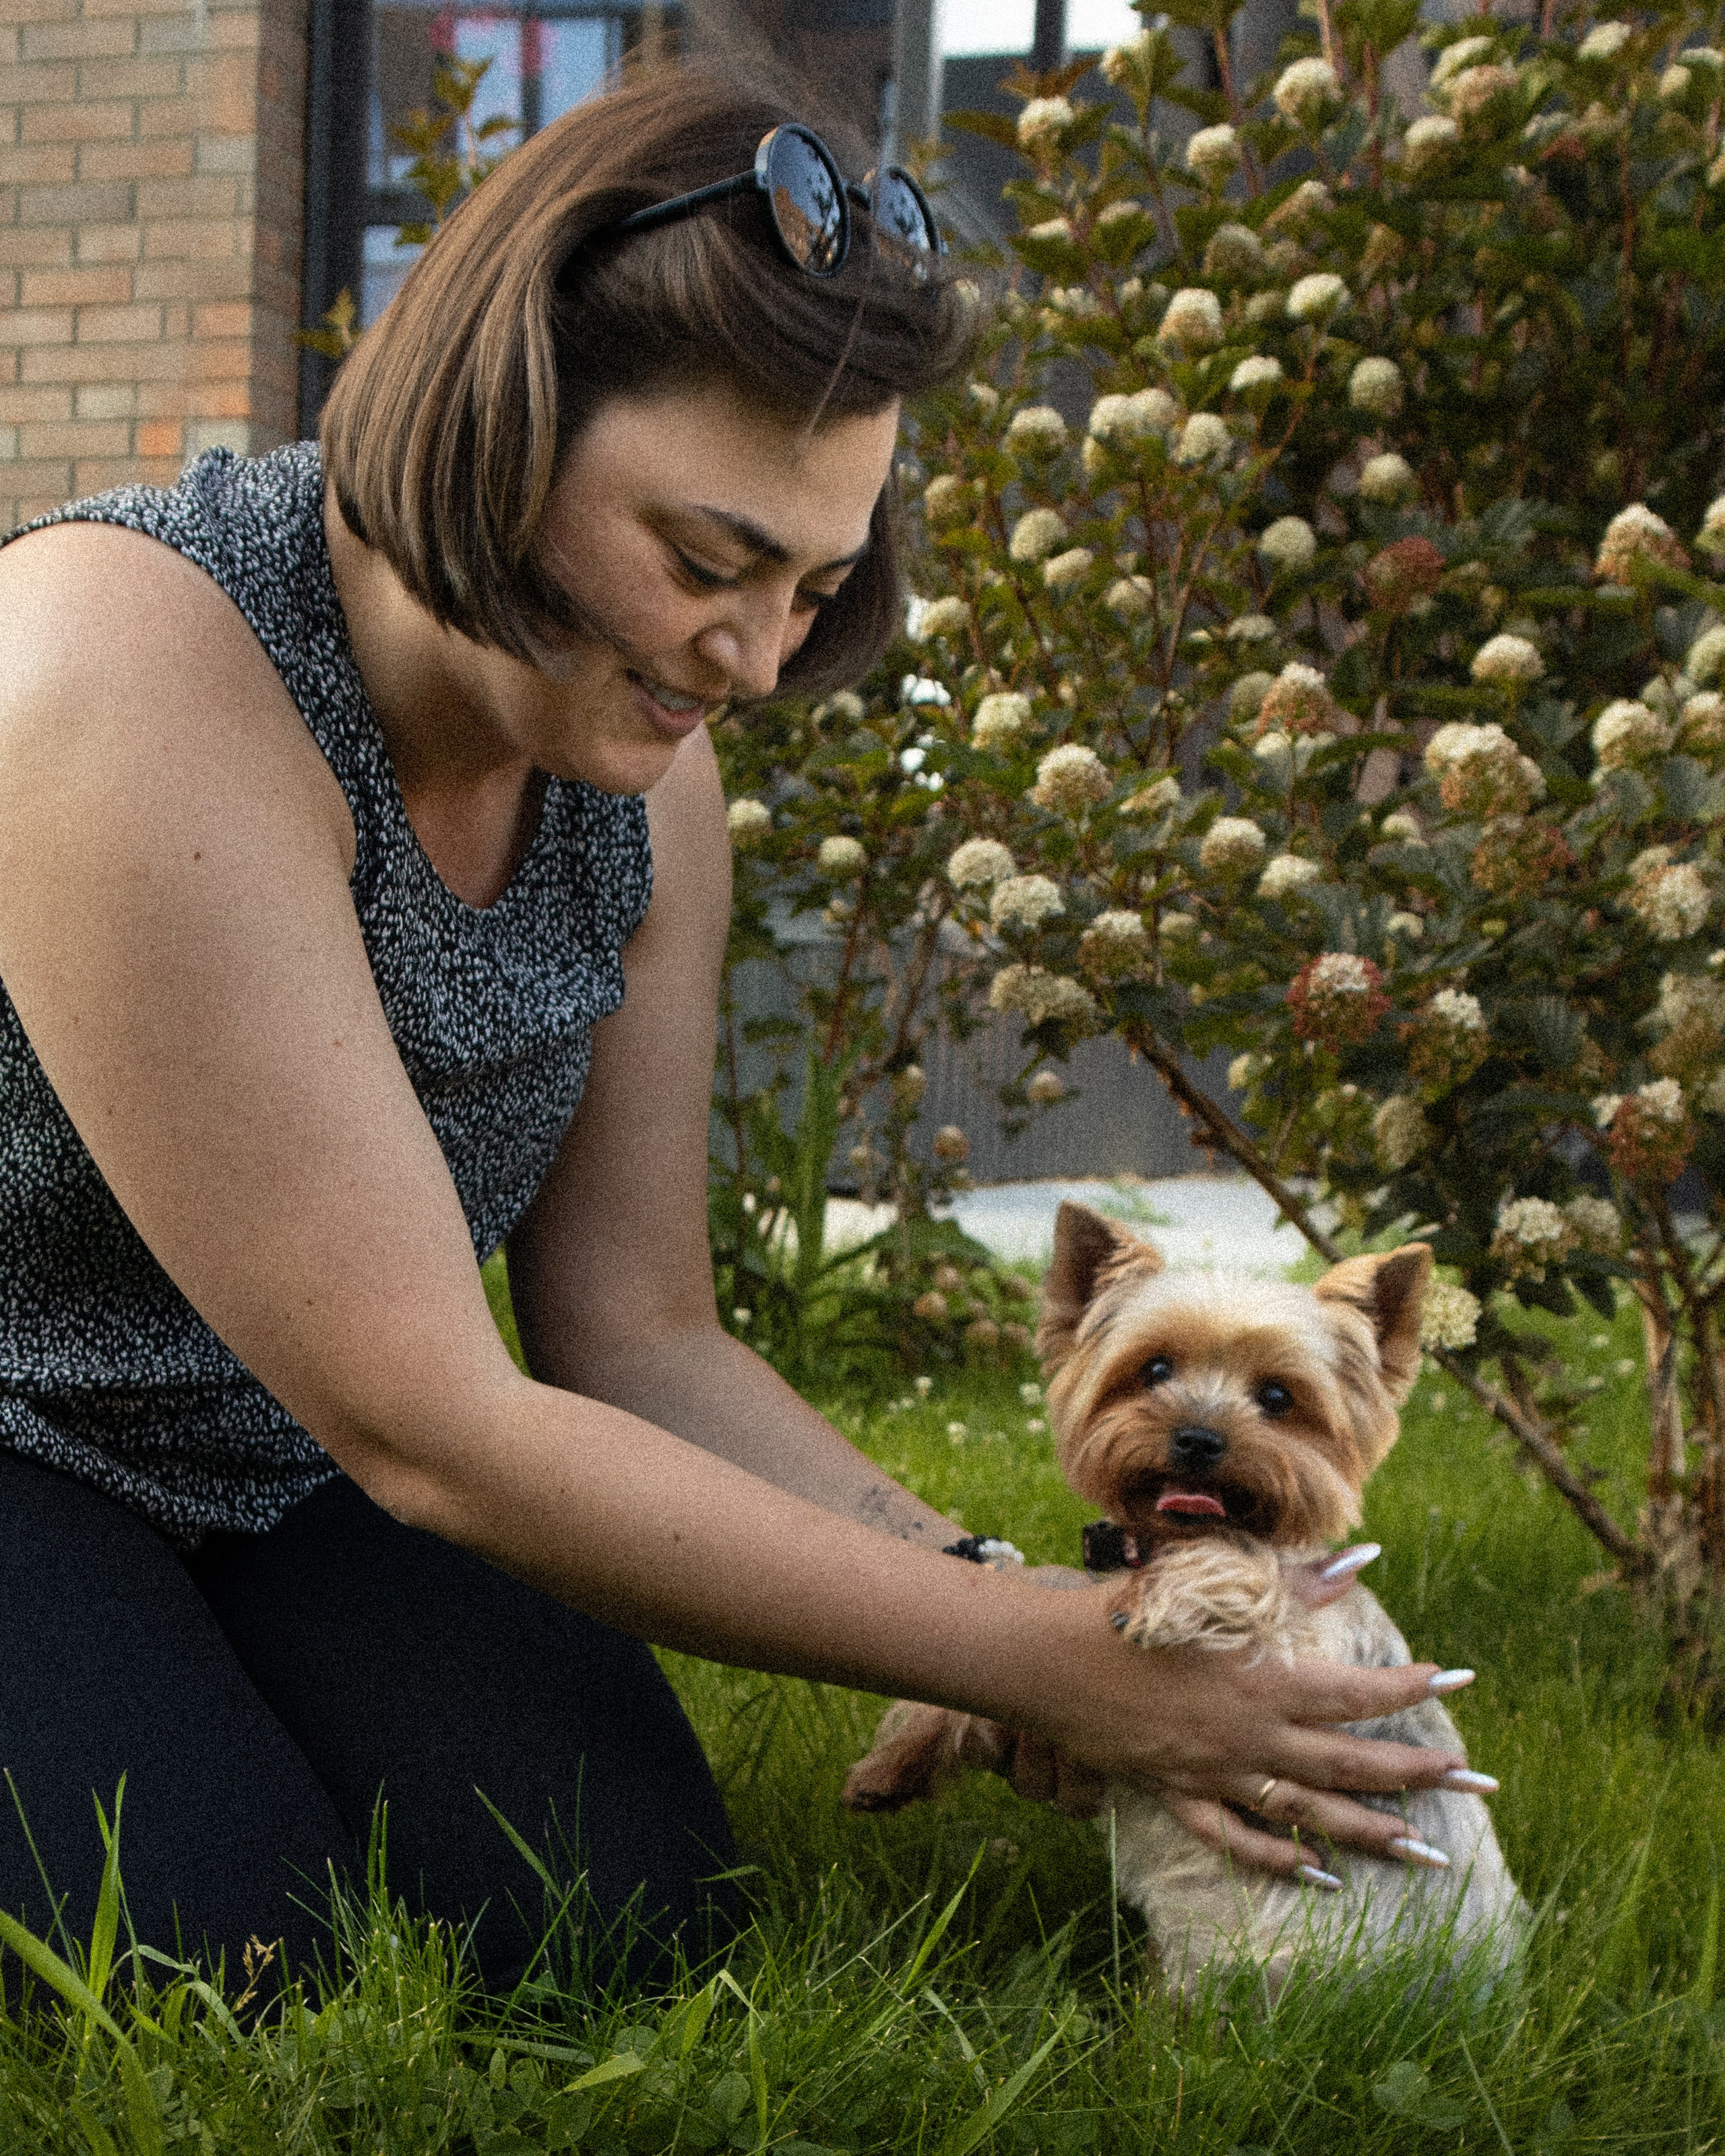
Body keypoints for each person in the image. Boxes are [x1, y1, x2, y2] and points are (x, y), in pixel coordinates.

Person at [0, 65, 1485, 1996]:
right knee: (217, 1963)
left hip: (276, 1457)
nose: (758, 657)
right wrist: (1046, 1668)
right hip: (54, 1427)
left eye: (814, 581)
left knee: (616, 1922)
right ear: (495, 426)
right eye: (705, 563)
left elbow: (637, 1334)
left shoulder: (638, 760)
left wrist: (1001, 1597)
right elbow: (435, 1426)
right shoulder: (128, 671)